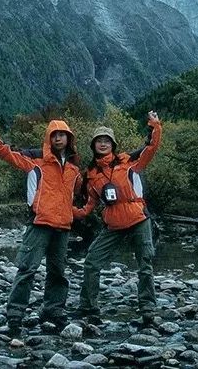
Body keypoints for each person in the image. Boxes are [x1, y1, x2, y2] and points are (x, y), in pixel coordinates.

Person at [0, 115, 82, 336]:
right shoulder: (35, 159)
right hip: (39, 223)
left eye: (62, 135)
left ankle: (53, 311)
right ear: (48, 138)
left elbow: (79, 192)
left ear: (69, 138)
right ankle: (15, 316)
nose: (58, 138)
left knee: (58, 272)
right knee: (27, 269)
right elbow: (8, 154)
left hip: (63, 226)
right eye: (54, 135)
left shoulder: (74, 167)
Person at [73, 111, 162, 326]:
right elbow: (89, 206)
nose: (103, 144)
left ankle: (148, 307)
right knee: (92, 261)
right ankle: (88, 306)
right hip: (113, 224)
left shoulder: (129, 161)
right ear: (93, 145)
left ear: (113, 144)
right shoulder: (91, 175)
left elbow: (151, 148)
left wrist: (155, 126)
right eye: (99, 141)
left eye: (107, 140)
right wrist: (68, 211)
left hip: (138, 219)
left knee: (145, 264)